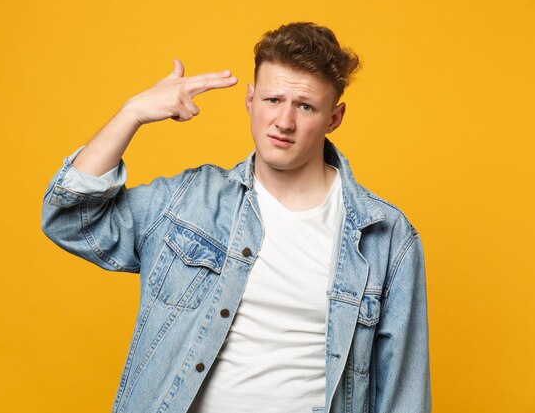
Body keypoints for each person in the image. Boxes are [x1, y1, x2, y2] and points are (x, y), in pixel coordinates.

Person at [41, 22, 431, 413]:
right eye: (272, 100)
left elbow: (404, 396)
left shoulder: (386, 237)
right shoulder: (190, 202)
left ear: (335, 117)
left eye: (306, 106)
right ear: (250, 100)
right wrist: (132, 114)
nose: (284, 122)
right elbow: (70, 219)